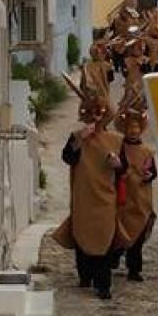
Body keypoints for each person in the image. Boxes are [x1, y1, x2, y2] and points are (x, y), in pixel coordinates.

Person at [51, 94, 123, 300]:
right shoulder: (77, 136)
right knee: (82, 233)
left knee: (104, 237)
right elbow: (67, 157)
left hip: (105, 197)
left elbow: (124, 169)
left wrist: (118, 165)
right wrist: (79, 140)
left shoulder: (116, 140)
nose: (94, 117)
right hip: (83, 195)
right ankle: (85, 275)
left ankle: (103, 285)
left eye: (98, 113)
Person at [108, 107, 157, 283]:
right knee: (122, 231)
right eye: (130, 127)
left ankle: (134, 269)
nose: (133, 131)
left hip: (142, 199)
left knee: (138, 235)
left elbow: (153, 172)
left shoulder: (147, 151)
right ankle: (114, 256)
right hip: (124, 198)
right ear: (125, 129)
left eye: (136, 127)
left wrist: (149, 175)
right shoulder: (118, 148)